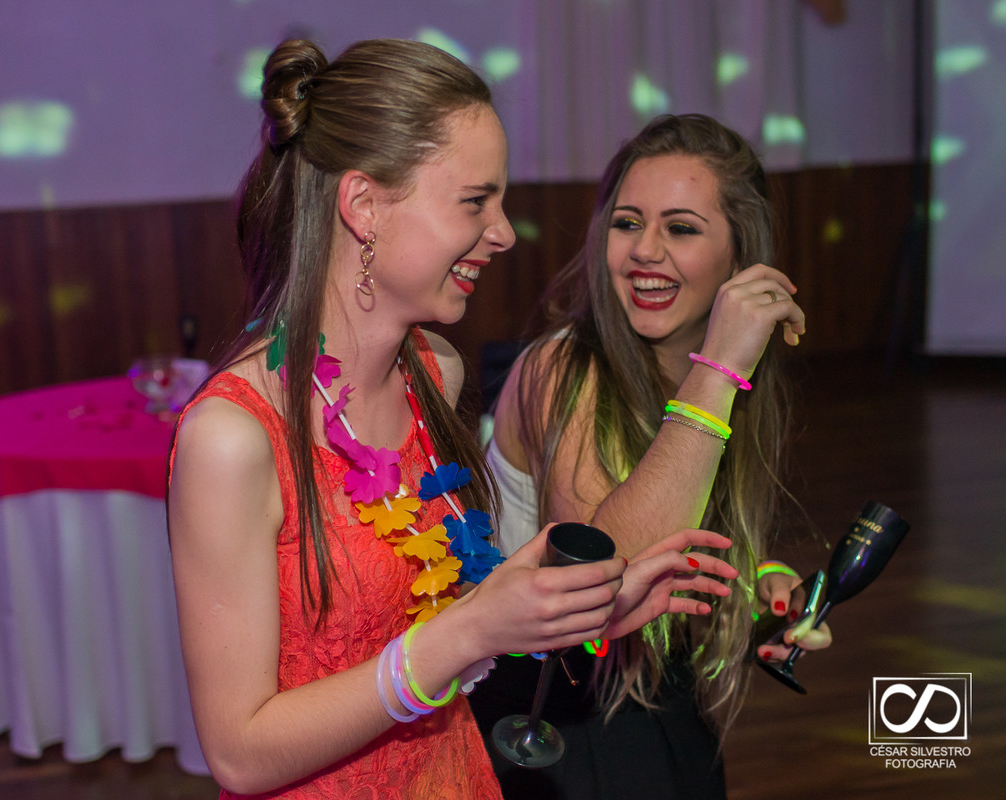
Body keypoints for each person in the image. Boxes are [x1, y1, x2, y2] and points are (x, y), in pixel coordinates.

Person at [167, 42, 740, 799]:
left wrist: (578, 612)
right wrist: (467, 633)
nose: (503, 232)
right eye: (476, 202)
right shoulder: (231, 439)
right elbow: (239, 754)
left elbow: (445, 610)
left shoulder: (434, 372)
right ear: (364, 206)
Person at [467, 114, 832, 799]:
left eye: (682, 229)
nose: (645, 252)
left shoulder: (721, 383)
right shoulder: (561, 368)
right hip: (543, 718)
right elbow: (609, 574)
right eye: (628, 222)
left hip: (654, 699)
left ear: (738, 257)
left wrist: (758, 592)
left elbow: (687, 550)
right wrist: (720, 367)